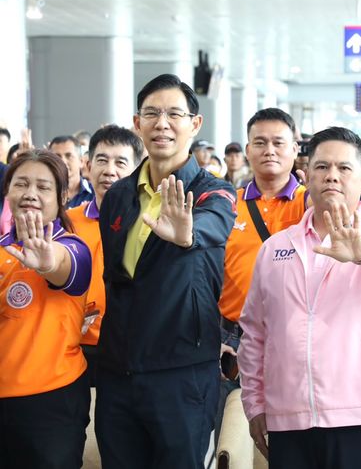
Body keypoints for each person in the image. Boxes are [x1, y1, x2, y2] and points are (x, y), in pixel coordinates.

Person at [238, 127, 361, 469]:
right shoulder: (276, 248)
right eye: (322, 167)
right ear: (306, 175)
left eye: (344, 168)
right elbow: (255, 332)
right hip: (289, 416)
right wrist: (255, 404)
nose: (332, 176)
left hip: (359, 416)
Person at [95, 73, 236, 469]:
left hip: (181, 374)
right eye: (152, 113)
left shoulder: (213, 191)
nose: (162, 123)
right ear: (137, 123)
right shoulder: (119, 195)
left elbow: (214, 226)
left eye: (175, 114)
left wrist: (187, 235)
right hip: (117, 371)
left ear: (194, 124)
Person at [216, 107, 305, 440]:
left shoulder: (310, 204)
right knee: (228, 436)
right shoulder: (225, 204)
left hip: (292, 337)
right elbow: (209, 275)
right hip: (232, 339)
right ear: (248, 149)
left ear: (295, 149)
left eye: (279, 143)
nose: (270, 150)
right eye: (260, 142)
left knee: (289, 436)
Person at [0, 150, 92, 468]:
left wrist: (47, 261)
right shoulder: (2, 249)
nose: (30, 194)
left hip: (51, 402)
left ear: (61, 197)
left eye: (43, 186)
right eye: (21, 184)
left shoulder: (72, 246)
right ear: (8, 191)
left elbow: (63, 266)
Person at [66, 125, 144, 385]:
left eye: (120, 162)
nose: (110, 170)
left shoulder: (148, 223)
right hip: (76, 348)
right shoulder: (66, 223)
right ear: (87, 165)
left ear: (137, 170)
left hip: (131, 349)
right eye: (102, 160)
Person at [49, 135, 94, 208]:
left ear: (81, 161)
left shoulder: (95, 193)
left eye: (68, 156)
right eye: (57, 156)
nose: (63, 161)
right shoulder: (45, 194)